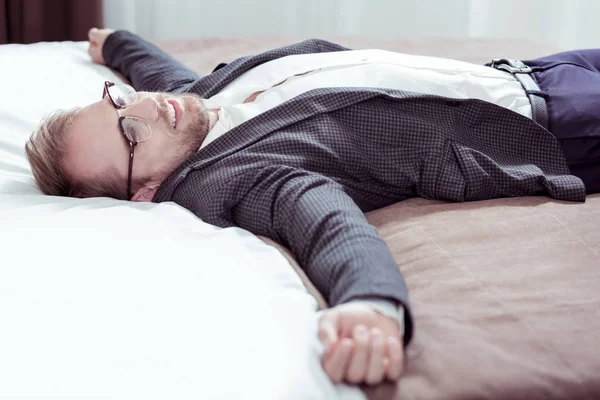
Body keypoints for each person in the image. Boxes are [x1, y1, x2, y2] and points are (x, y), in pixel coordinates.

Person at [25, 28, 598, 386]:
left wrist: (119, 45)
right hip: (554, 123)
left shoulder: (190, 109)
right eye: (129, 133)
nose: (149, 106)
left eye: (121, 102)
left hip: (528, 70)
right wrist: (372, 307)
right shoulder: (236, 179)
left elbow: (159, 77)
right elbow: (326, 221)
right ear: (144, 193)